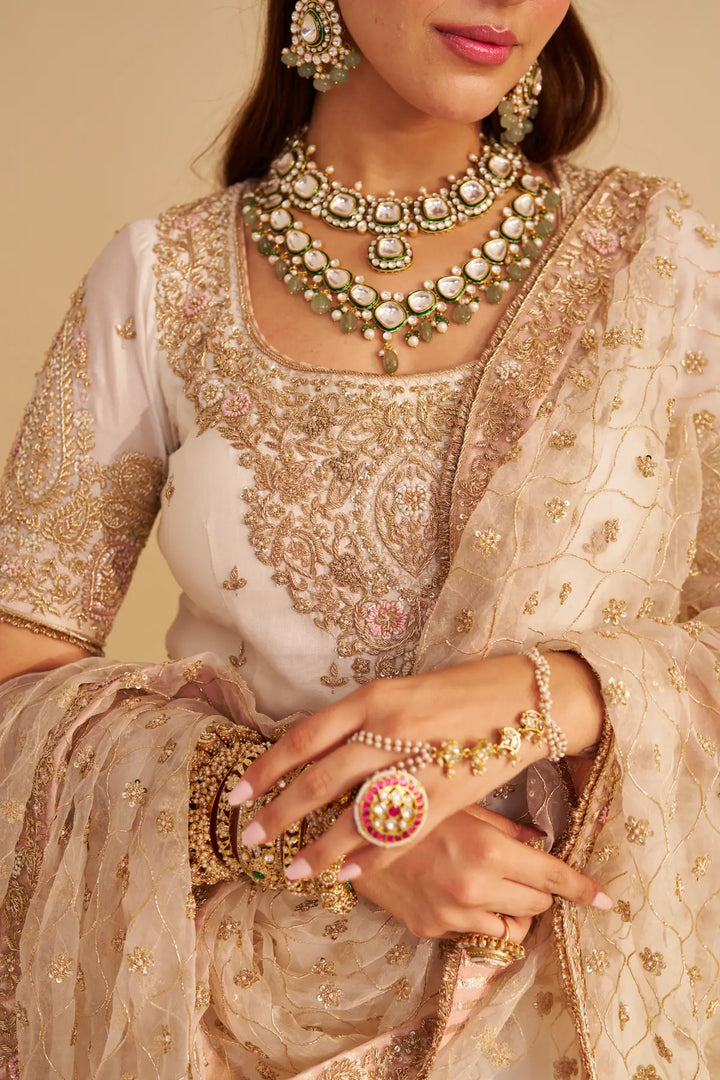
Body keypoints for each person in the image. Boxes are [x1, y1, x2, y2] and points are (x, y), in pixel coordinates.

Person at [0, 0, 717, 1076]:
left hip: (585, 1013)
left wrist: (553, 691)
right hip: (225, 1024)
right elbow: (20, 680)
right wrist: (330, 828)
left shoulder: (658, 266)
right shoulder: (162, 280)